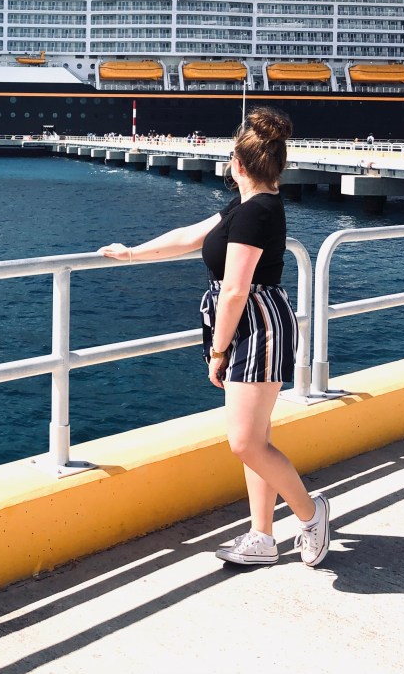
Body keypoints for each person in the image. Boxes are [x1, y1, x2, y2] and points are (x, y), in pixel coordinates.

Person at [98, 107, 330, 568]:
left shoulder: (255, 213)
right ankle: (262, 536)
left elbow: (235, 290)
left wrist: (218, 350)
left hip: (257, 325)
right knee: (256, 439)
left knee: (245, 442)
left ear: (237, 164)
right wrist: (132, 254)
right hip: (255, 321)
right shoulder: (245, 207)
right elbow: (190, 235)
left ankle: (311, 514)